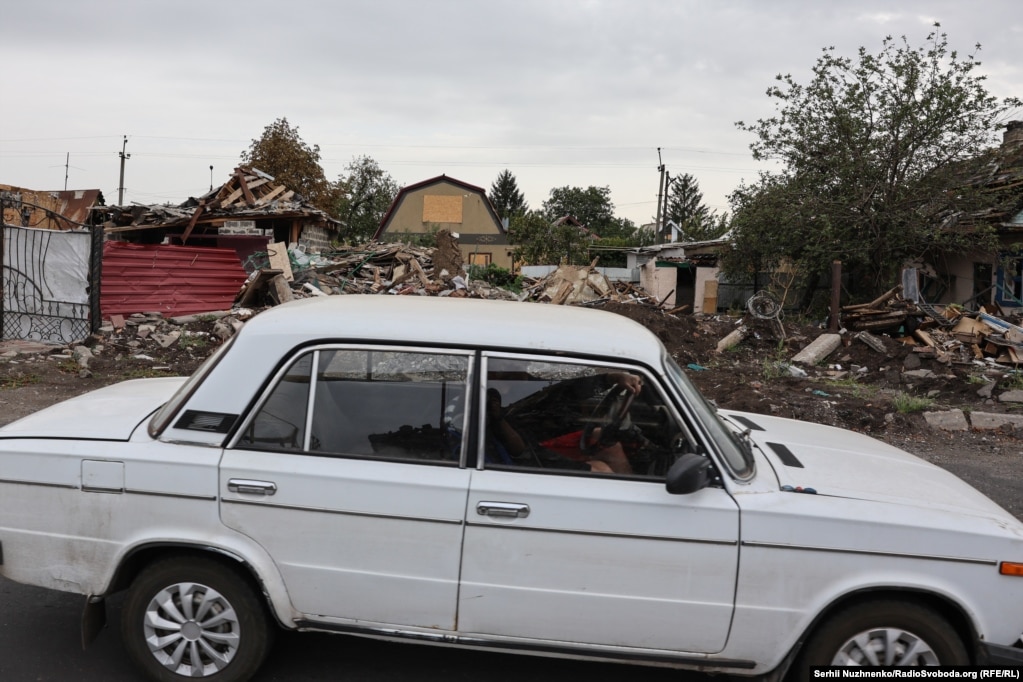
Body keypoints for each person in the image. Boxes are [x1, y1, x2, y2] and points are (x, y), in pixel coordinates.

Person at [485, 371, 645, 474]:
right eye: (513, 366)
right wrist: (498, 416)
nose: (522, 370)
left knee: (603, 439)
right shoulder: (489, 399)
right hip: (528, 456)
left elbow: (566, 391)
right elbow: (517, 449)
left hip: (540, 440)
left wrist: (612, 378)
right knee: (602, 471)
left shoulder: (522, 388)